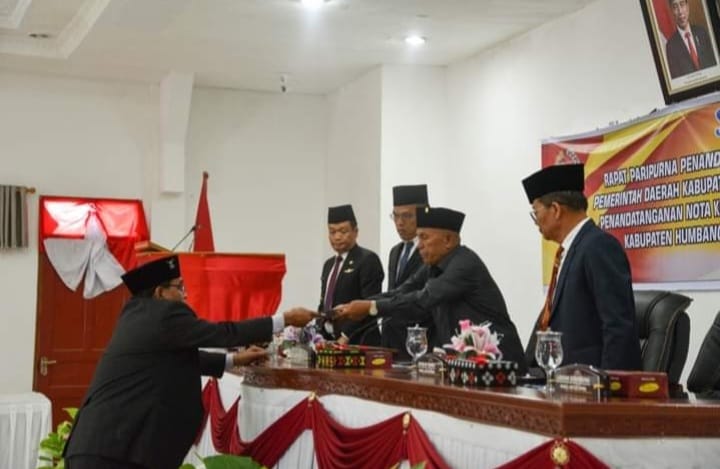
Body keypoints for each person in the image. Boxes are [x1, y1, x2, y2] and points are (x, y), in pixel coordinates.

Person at [63, 255, 316, 469]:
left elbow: (169, 359)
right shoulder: (165, 313)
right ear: (160, 292)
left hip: (100, 445)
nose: (185, 295)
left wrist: (233, 360)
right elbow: (222, 333)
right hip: (116, 450)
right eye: (180, 287)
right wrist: (284, 320)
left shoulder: (137, 313)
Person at [334, 206, 527, 373]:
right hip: (466, 363)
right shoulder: (432, 265)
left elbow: (423, 299)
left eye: (424, 238)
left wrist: (371, 308)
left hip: (500, 364)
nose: (419, 246)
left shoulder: (464, 264)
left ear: (448, 240)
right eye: (418, 238)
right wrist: (354, 306)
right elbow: (401, 292)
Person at [521, 163, 642, 371]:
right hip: (563, 378)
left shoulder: (598, 246)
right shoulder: (569, 251)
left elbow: (618, 326)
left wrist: (608, 384)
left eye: (536, 212)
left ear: (556, 210)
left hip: (590, 381)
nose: (535, 221)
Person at [318, 204, 384, 345]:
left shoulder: (367, 259)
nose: (337, 237)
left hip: (359, 342)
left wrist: (345, 336)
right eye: (332, 232)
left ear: (355, 232)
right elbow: (324, 304)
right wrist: (318, 334)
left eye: (343, 231)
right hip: (331, 341)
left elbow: (369, 304)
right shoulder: (328, 265)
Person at [383, 184, 429, 359]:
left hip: (418, 343)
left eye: (407, 216)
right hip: (390, 342)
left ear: (423, 214)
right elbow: (393, 292)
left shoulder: (430, 252)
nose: (400, 223)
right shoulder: (395, 252)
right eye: (395, 216)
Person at [665, 0, 717, 78]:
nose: (680, 12)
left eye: (682, 4)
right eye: (675, 7)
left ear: (687, 7)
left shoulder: (702, 32)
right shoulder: (670, 46)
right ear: (672, 12)